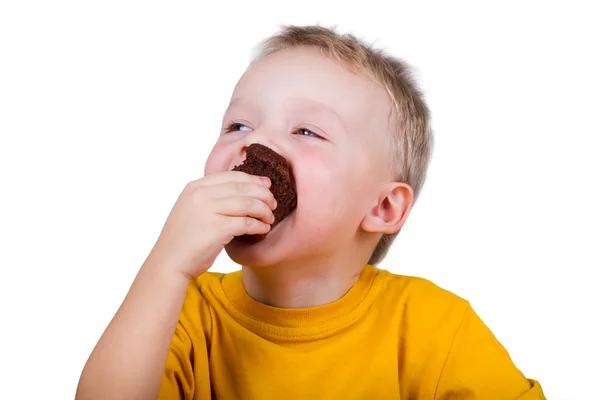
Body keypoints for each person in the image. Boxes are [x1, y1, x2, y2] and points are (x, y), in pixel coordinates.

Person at [76, 25, 545, 399]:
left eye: (306, 131)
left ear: (382, 206)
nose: (254, 144)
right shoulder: (183, 313)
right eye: (238, 124)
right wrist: (166, 265)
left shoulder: (431, 328)